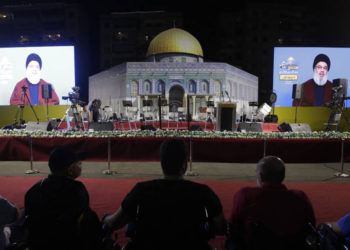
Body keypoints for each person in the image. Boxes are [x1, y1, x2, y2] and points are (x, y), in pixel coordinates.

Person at [102, 138, 227, 250]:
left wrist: (104, 219)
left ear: (161, 163)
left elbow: (114, 222)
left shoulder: (141, 190)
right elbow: (221, 227)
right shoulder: (203, 192)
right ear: (184, 165)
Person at [228, 156, 315, 250]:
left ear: (260, 176)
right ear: (283, 176)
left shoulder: (245, 195)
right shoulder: (300, 197)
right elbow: (310, 226)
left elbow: (233, 225)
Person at [24, 147, 101, 250]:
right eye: (79, 163)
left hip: (39, 243)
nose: (81, 166)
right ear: (70, 169)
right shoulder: (77, 189)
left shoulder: (34, 190)